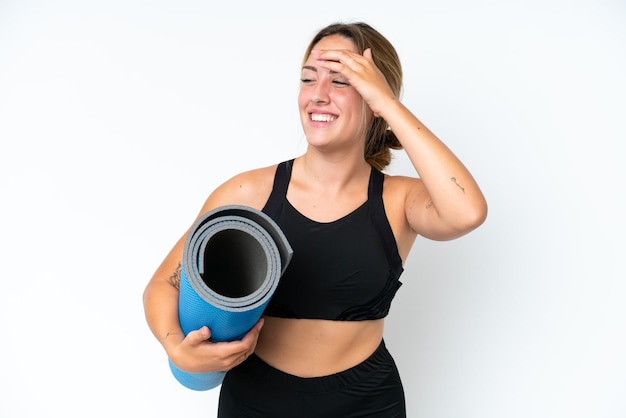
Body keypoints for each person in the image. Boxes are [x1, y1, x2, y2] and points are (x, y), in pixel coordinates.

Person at [143, 21, 487, 417]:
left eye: (341, 81)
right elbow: (163, 284)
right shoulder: (247, 193)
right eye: (308, 79)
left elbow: (467, 212)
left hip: (367, 403)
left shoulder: (399, 200)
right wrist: (176, 348)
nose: (318, 95)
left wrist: (389, 104)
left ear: (374, 97)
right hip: (255, 400)